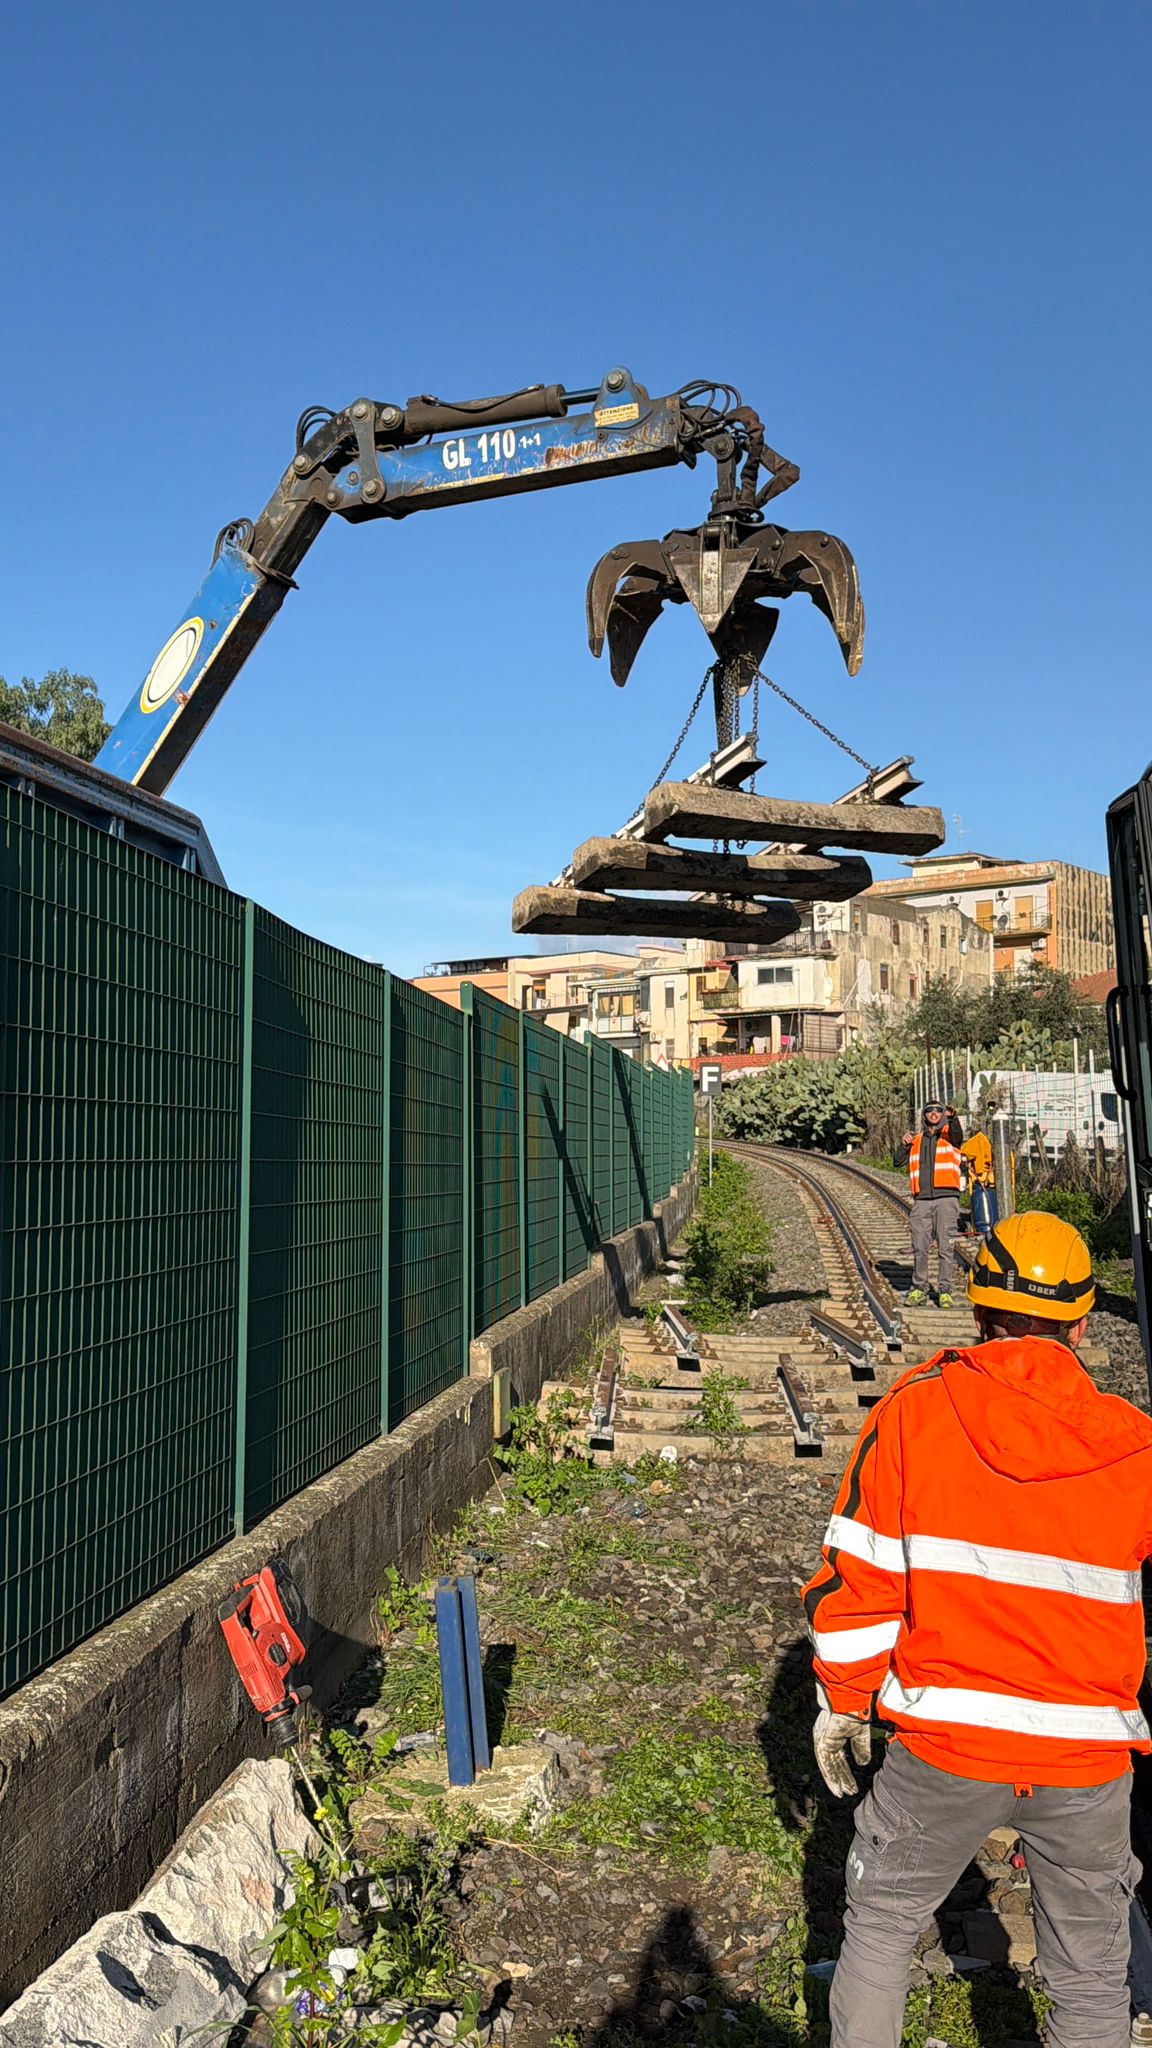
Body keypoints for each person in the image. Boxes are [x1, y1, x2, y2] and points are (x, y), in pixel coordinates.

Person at [802, 1212, 1152, 2048]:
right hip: (1086, 1756)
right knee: (1091, 1975)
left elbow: (861, 1578)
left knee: (883, 1924)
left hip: (946, 1744)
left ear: (977, 1305)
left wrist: (844, 1702)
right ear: (1081, 1322)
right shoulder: (1133, 1446)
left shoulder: (914, 1414)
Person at [898, 1100, 964, 1306]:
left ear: (943, 1114)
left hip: (947, 1198)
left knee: (946, 1247)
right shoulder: (916, 1140)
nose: (934, 1113)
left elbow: (958, 1134)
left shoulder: (950, 1136)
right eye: (930, 1110)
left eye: (938, 1111)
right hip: (922, 1200)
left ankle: (945, 1291)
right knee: (920, 1246)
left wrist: (953, 1118)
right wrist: (903, 1145)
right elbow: (897, 1161)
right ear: (924, 1115)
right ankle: (919, 1288)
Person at [960, 1120, 999, 1240]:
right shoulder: (981, 1142)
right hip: (984, 1178)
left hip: (982, 1177)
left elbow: (964, 1152)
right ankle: (988, 1227)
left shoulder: (976, 1142)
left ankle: (982, 1228)